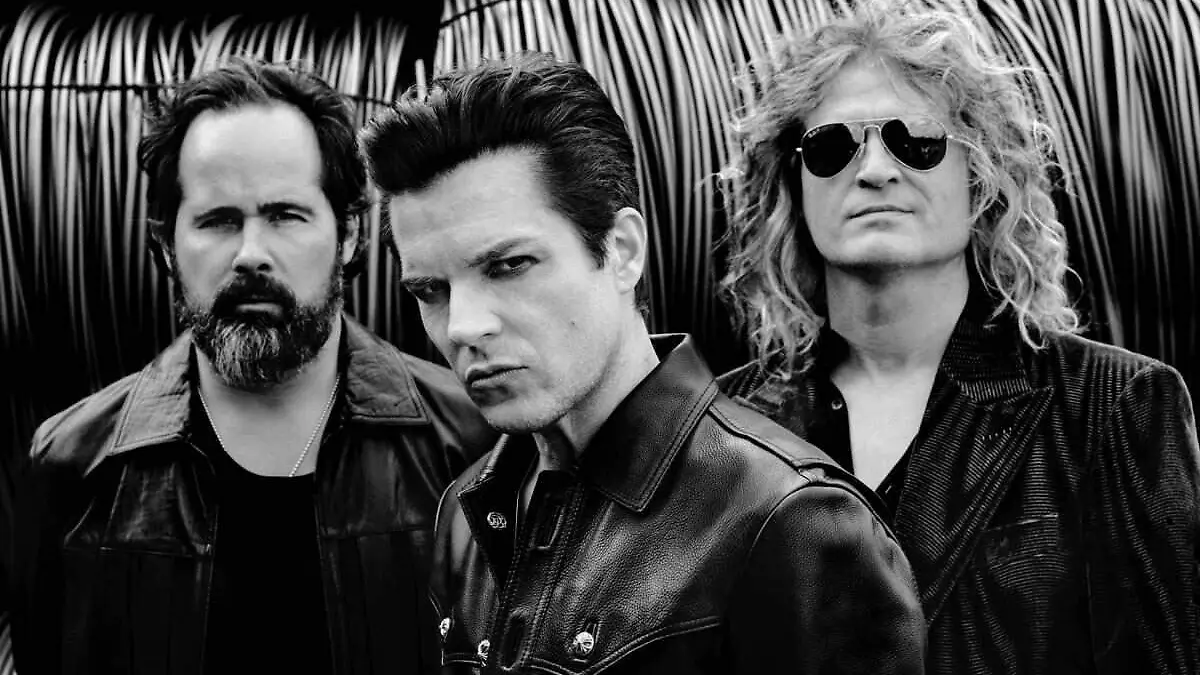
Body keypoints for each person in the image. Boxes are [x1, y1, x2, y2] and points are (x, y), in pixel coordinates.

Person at [359, 51, 926, 674]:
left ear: (623, 250)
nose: (463, 325)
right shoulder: (468, 509)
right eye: (430, 291)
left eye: (509, 266)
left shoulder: (789, 521)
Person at [715, 2, 1200, 674]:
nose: (874, 169)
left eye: (916, 139)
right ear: (793, 186)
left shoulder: (1112, 406)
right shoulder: (722, 428)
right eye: (832, 146)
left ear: (981, 177)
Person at [7, 57, 497, 674]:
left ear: (349, 234)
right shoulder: (75, 467)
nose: (251, 254)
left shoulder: (474, 449)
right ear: (165, 245)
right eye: (218, 220)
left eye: (285, 215)